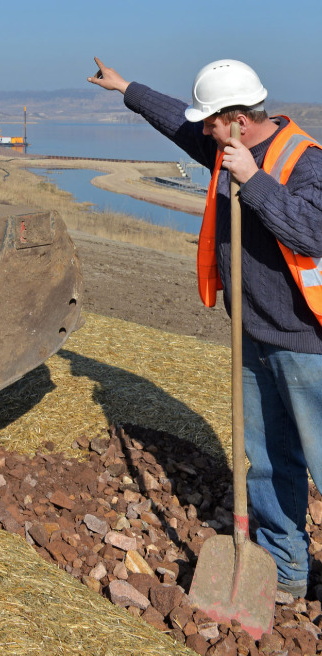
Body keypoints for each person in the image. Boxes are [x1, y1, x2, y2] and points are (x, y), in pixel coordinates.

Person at [88, 57, 322, 599]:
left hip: (307, 345)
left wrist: (254, 181)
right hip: (253, 334)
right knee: (265, 463)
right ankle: (286, 572)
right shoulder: (221, 148)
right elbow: (177, 121)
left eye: (211, 121)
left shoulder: (304, 159)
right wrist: (128, 89)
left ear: (238, 117)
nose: (203, 131)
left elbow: (313, 233)